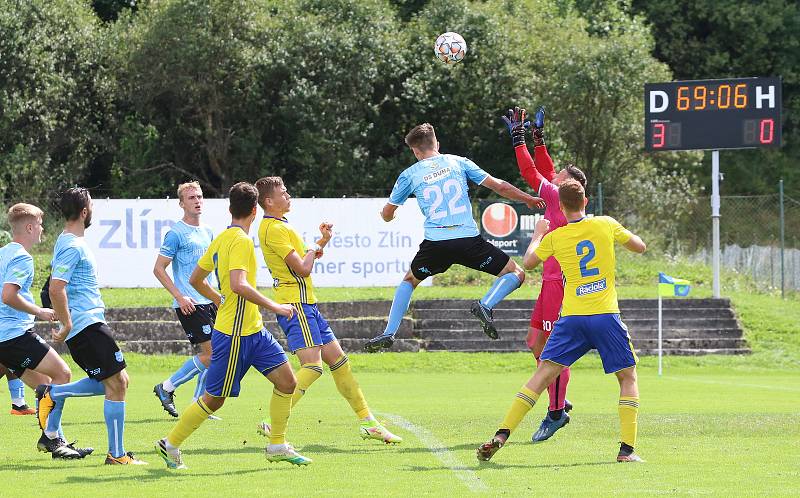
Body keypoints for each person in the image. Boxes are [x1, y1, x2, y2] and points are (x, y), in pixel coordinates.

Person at [476, 179, 647, 463]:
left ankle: (502, 434)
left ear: (561, 206)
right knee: (627, 377)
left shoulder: (556, 237)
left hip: (571, 318)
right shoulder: (604, 223)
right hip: (605, 316)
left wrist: (538, 233)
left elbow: (528, 262)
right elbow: (640, 247)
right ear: (585, 202)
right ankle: (627, 451)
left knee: (542, 375)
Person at [155, 182, 311, 470]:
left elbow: (196, 279)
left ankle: (277, 444)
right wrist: (275, 306)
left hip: (254, 332)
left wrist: (218, 298)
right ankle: (171, 443)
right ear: (255, 210)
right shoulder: (238, 241)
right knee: (214, 399)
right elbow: (239, 285)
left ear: (230, 209)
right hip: (235, 335)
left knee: (288, 382)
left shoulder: (223, 237)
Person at [364, 123, 545, 351]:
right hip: (468, 241)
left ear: (415, 151)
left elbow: (388, 214)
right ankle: (485, 305)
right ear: (436, 144)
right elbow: (500, 186)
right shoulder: (459, 162)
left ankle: (389, 332)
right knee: (516, 273)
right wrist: (527, 199)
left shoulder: (409, 175)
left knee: (410, 280)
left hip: (436, 245)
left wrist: (384, 214)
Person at [254, 176, 402, 444]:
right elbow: (303, 268)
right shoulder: (273, 229)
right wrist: (312, 248)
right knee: (312, 367)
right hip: (296, 306)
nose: (288, 195)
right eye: (283, 192)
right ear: (269, 201)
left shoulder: (279, 225)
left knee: (339, 361)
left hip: (306, 304)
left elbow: (303, 260)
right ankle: (272, 422)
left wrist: (322, 242)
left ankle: (368, 423)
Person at [37, 188, 146, 465]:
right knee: (118, 382)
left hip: (89, 323)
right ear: (84, 212)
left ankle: (54, 393)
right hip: (86, 325)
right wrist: (67, 323)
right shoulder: (72, 246)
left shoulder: (67, 241)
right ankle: (117, 455)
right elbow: (55, 288)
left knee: (118, 383)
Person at [502, 106, 587, 441]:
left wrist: (519, 139)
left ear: (566, 184)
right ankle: (558, 393)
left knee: (551, 351)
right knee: (534, 342)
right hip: (551, 284)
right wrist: (539, 139)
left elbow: (531, 172)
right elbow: (547, 169)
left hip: (559, 286)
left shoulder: (555, 197)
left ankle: (555, 411)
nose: (552, 175)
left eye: (559, 175)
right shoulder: (565, 197)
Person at [0, 203, 91, 459]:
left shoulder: (3, 253)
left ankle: (56, 441)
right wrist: (39, 311)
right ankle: (50, 439)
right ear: (29, 227)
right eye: (39, 224)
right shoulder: (22, 257)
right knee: (62, 374)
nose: (42, 229)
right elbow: (8, 295)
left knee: (44, 386)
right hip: (15, 336)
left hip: (5, 337)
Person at [152, 181, 218, 418]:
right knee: (211, 354)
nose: (197, 201)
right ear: (181, 204)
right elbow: (159, 269)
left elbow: (213, 268)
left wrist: (220, 296)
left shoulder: (208, 231)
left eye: (200, 196)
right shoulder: (176, 233)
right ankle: (167, 387)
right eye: (191, 198)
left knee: (218, 353)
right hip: (190, 303)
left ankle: (198, 404)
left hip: (210, 300)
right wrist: (179, 297)